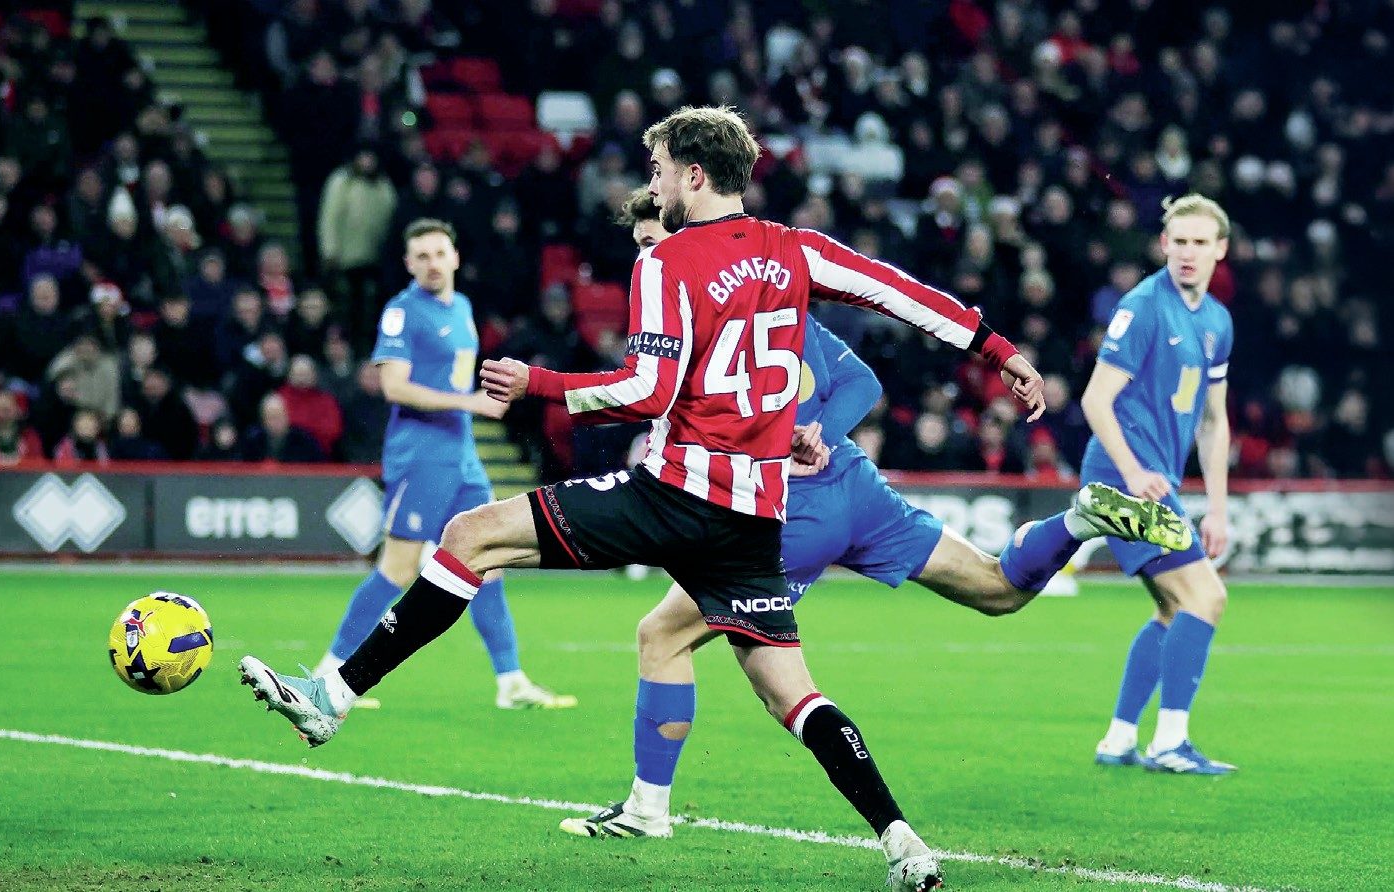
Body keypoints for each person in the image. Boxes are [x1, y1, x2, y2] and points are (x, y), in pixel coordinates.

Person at [241, 107, 1046, 892]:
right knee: (790, 691)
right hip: (754, 520)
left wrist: (540, 385)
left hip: (674, 494)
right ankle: (903, 843)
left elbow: (645, 388)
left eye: (659, 169)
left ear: (694, 175)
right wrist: (999, 350)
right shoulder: (796, 251)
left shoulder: (666, 262)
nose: (652, 183)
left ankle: (333, 697)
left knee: (472, 535)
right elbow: (902, 294)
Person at [557, 188, 1191, 843]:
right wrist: (825, 432)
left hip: (777, 514)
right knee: (997, 589)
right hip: (855, 489)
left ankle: (649, 810)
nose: (649, 256)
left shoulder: (692, 322)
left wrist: (554, 393)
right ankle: (1081, 521)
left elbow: (659, 403)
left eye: (655, 241)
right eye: (640, 247)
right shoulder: (774, 305)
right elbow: (860, 379)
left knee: (673, 641)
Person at [307, 218, 575, 711]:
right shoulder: (401, 312)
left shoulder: (464, 307)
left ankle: (510, 681)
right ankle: (331, 670)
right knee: (399, 567)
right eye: (422, 256)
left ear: (454, 257)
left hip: (462, 456)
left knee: (489, 561)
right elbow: (393, 387)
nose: (432, 263)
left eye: (439, 253)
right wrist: (470, 402)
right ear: (409, 264)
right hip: (421, 455)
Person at [1084, 194, 1237, 775]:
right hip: (1123, 476)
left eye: (1201, 242)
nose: (1188, 253)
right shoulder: (1145, 305)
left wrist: (1217, 510)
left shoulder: (1216, 321)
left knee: (1176, 610)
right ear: (1163, 246)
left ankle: (1120, 739)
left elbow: (1214, 421)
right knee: (1207, 597)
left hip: (1156, 480)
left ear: (1220, 250)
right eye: (1179, 242)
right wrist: (1130, 473)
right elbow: (1096, 399)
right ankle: (1169, 743)